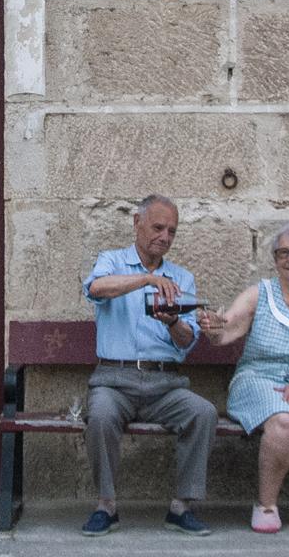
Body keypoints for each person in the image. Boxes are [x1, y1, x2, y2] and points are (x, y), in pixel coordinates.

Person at [80, 194, 217, 537]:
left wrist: (173, 322)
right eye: (158, 227)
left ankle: (181, 507)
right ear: (137, 222)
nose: (165, 237)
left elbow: (187, 342)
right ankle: (106, 506)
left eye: (172, 231)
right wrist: (146, 280)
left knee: (203, 412)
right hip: (114, 379)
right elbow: (96, 288)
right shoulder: (112, 261)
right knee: (100, 415)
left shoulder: (182, 278)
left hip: (163, 383)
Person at [199, 220, 289, 534]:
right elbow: (229, 325)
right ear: (275, 259)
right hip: (257, 378)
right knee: (284, 419)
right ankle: (266, 506)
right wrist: (214, 326)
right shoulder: (259, 294)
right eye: (283, 253)